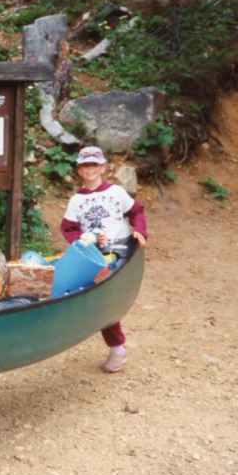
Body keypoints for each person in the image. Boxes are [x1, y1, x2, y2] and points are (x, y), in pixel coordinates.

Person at [60, 146, 147, 373]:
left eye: (94, 164)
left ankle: (117, 348)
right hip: (93, 254)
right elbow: (68, 229)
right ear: (79, 170)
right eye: (85, 165)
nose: (90, 169)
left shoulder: (116, 192)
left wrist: (139, 231)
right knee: (86, 294)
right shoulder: (77, 200)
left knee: (109, 299)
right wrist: (84, 238)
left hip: (119, 251)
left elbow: (136, 212)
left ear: (103, 167)